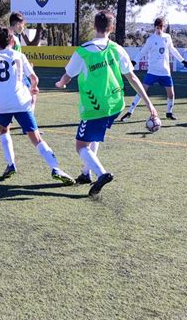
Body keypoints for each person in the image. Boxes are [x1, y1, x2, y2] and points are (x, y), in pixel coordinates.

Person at [55, 10, 159, 198]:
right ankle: (86, 174)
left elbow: (68, 75)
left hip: (94, 108)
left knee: (81, 146)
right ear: (111, 28)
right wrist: (149, 104)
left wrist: (61, 83)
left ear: (94, 26)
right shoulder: (117, 49)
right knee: (94, 137)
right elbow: (132, 78)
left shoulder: (83, 50)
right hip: (115, 105)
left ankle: (102, 173)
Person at [0, 27, 74, 184]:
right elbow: (34, 77)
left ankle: (11, 164)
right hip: (21, 101)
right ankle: (55, 168)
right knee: (36, 138)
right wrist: (33, 87)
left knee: (4, 130)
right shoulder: (19, 55)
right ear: (12, 41)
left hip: (2, 104)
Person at [120, 17, 187, 121]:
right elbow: (142, 52)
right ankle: (130, 112)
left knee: (171, 94)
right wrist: (134, 61)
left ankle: (169, 112)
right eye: (157, 27)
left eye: (161, 27)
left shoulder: (167, 37)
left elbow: (172, 50)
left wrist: (182, 60)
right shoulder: (151, 40)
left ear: (164, 27)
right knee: (142, 91)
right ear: (155, 27)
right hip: (152, 71)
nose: (159, 29)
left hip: (165, 72)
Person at [0, 12, 36, 133]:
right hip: (17, 76)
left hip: (14, 75)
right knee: (31, 96)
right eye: (23, 24)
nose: (23, 27)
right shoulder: (14, 39)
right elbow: (14, 60)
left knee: (22, 99)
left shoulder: (11, 36)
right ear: (18, 24)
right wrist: (25, 69)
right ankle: (28, 127)